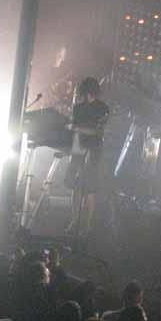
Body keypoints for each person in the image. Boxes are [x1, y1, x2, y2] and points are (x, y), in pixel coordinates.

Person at [63, 77, 110, 238]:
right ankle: (75, 220)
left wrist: (76, 128)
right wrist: (73, 151)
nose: (84, 96)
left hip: (93, 151)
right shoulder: (78, 108)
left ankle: (88, 225)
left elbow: (97, 131)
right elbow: (73, 128)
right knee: (76, 187)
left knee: (90, 189)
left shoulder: (103, 108)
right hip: (78, 150)